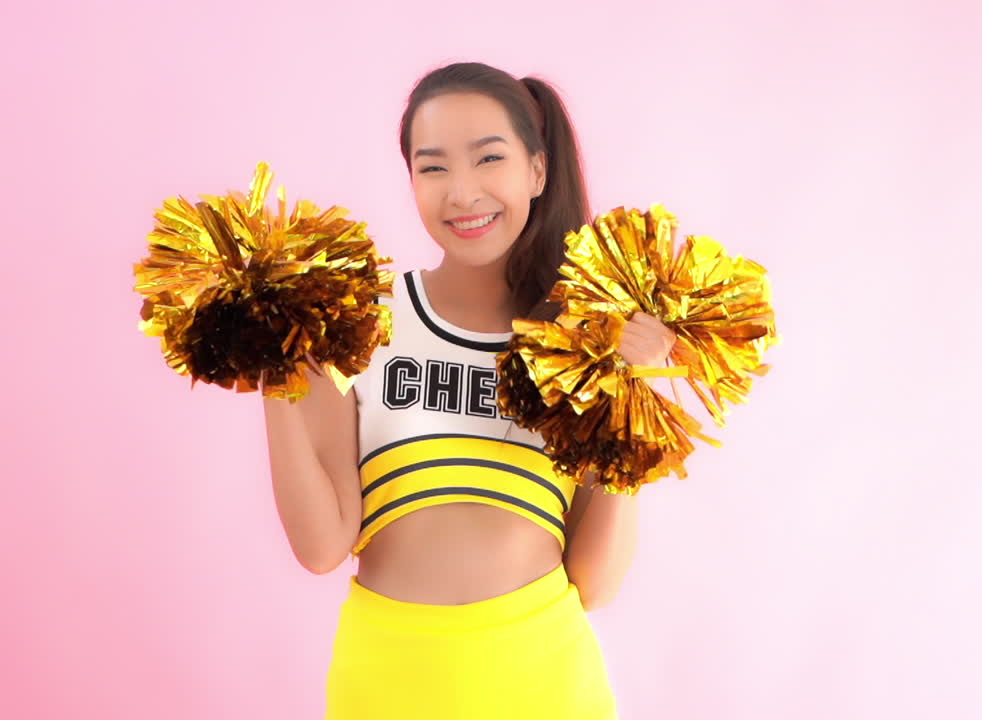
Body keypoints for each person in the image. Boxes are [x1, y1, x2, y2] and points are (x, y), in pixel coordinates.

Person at [261, 61, 678, 719]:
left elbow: (595, 583)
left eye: (488, 159)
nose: (462, 192)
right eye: (433, 168)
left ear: (537, 170)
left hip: (544, 681)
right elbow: (320, 547)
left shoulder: (583, 342)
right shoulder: (361, 322)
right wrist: (273, 373)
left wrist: (638, 398)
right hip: (386, 680)